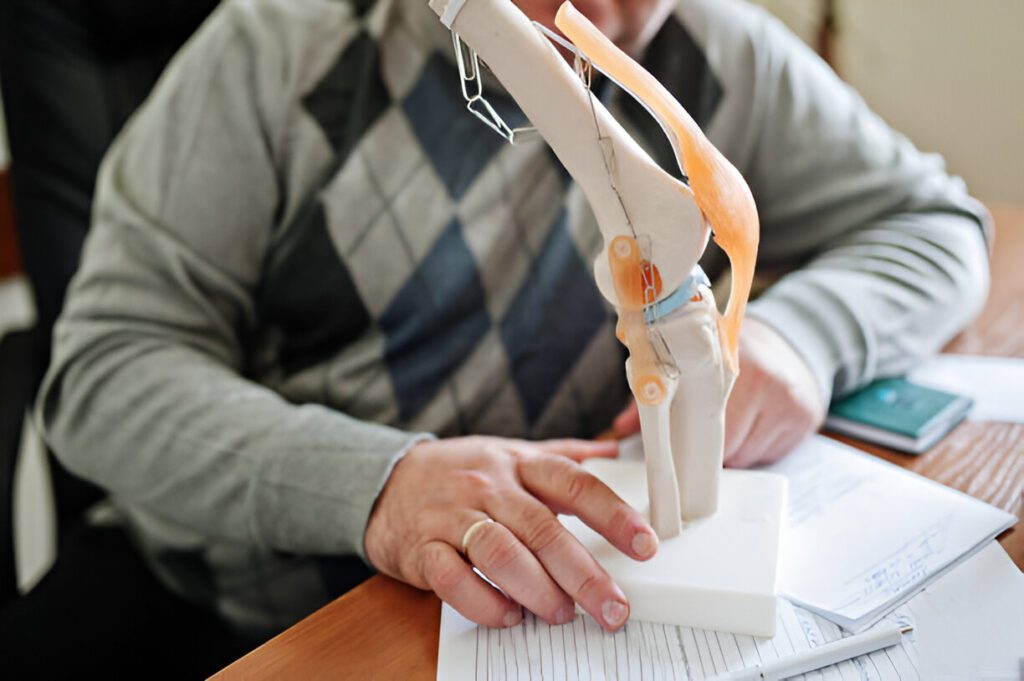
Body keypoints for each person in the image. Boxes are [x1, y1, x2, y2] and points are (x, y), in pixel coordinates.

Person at [36, 0, 991, 642]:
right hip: (251, 596)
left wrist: (796, 341)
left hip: (550, 601)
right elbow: (104, 374)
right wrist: (381, 485)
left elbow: (941, 227)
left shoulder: (709, 43)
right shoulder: (278, 44)